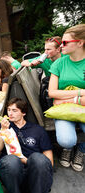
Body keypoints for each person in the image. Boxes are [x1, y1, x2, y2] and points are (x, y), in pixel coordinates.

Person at [0, 98, 53, 193]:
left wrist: (30, 162)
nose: (10, 113)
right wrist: (3, 130)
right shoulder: (4, 127)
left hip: (34, 173)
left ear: (23, 113)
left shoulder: (37, 129)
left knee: (38, 158)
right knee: (11, 160)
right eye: (8, 110)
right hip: (12, 173)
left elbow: (49, 160)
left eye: (14, 110)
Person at [48, 24, 85, 172]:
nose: (61, 46)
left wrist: (64, 98)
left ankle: (81, 149)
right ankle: (68, 148)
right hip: (64, 109)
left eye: (65, 42)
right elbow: (52, 93)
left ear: (80, 43)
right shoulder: (59, 63)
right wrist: (80, 93)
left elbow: (58, 96)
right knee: (66, 140)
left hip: (70, 104)